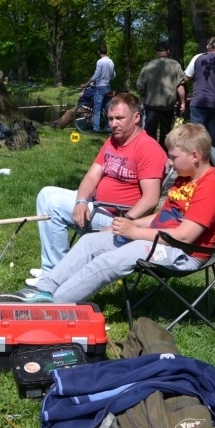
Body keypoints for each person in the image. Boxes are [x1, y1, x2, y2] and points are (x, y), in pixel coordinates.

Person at [0, 123, 215, 303]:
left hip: (183, 254)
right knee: (92, 241)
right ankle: (43, 288)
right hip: (163, 241)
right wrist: (128, 225)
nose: (169, 162)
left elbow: (184, 237)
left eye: (174, 157)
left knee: (113, 259)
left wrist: (134, 232)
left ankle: (54, 303)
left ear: (195, 157)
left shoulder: (210, 188)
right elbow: (163, 217)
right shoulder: (186, 178)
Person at [27, 93, 168, 286]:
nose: (114, 124)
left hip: (119, 218)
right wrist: (81, 201)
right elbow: (92, 176)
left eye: (120, 118)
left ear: (136, 118)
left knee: (53, 205)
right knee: (46, 193)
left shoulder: (148, 148)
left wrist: (122, 223)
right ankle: (56, 269)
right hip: (98, 207)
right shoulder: (112, 142)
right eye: (110, 119)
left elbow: (151, 199)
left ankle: (55, 274)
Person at [183, 37, 215, 150]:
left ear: (207, 47)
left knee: (197, 134)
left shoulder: (197, 58)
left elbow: (186, 77)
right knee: (214, 132)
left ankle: (197, 159)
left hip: (198, 102)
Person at [136, 41, 187, 152]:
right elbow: (180, 86)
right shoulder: (175, 65)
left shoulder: (149, 65)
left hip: (151, 104)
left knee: (150, 131)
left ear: (156, 53)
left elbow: (140, 84)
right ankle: (163, 153)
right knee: (166, 132)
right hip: (167, 106)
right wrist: (183, 102)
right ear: (168, 52)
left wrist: (143, 95)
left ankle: (150, 152)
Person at [80, 45, 116, 132]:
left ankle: (96, 128)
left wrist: (86, 84)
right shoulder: (111, 62)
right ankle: (108, 128)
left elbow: (96, 75)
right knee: (107, 109)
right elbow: (113, 76)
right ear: (106, 52)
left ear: (99, 52)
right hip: (108, 87)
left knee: (97, 109)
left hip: (100, 87)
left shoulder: (100, 62)